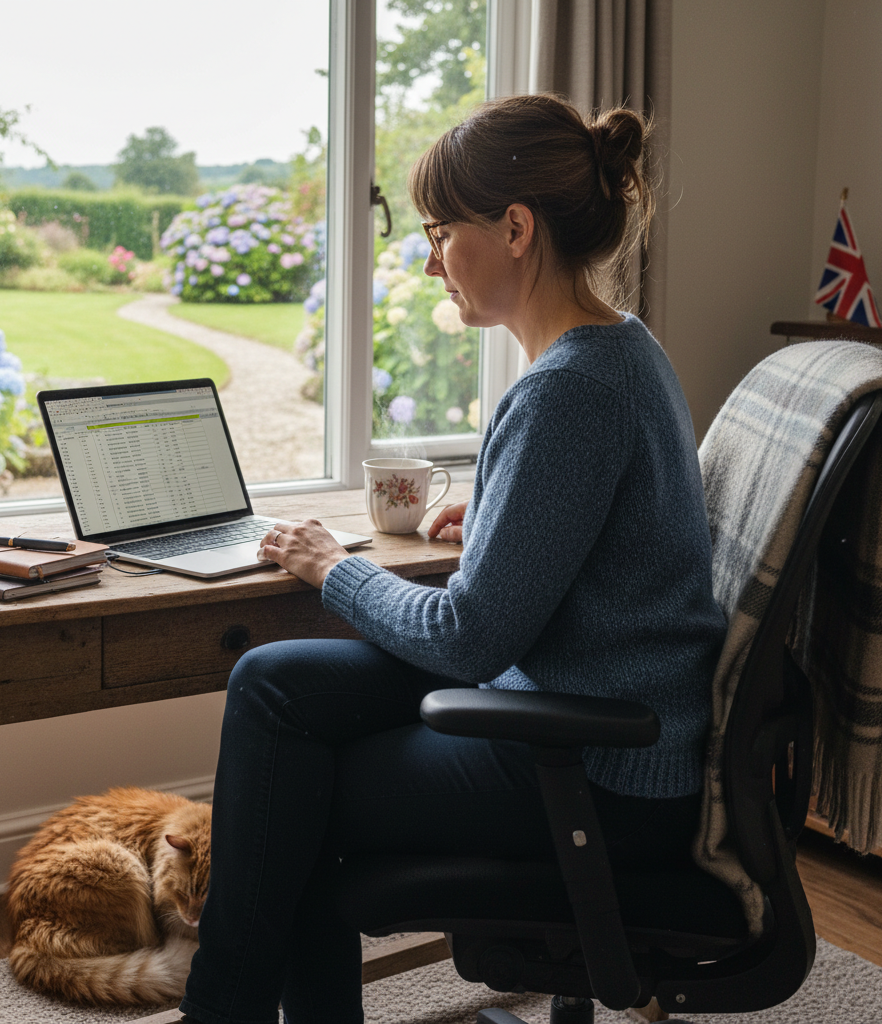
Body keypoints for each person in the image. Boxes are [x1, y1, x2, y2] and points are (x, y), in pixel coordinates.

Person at [179, 93, 727, 1024]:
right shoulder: (619, 349)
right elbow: (605, 538)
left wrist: (332, 567)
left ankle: (219, 1011)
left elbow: (471, 636)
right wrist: (505, 516)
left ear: (515, 228)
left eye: (441, 233)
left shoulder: (572, 391)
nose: (431, 261)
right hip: (582, 708)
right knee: (273, 684)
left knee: (292, 795)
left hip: (597, 774)